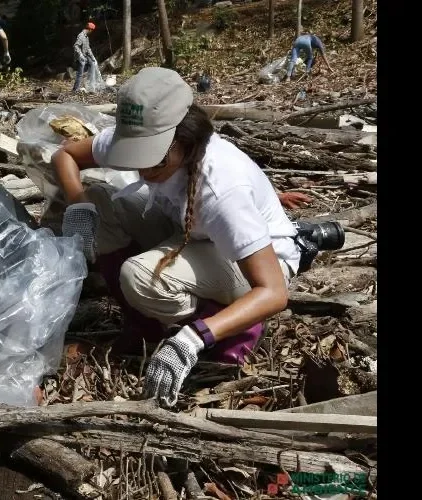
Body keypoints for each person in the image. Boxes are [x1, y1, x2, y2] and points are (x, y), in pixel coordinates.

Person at [51, 67, 301, 407]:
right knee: (98, 204)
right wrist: (79, 206)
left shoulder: (221, 189)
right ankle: (145, 328)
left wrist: (195, 337)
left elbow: (274, 292)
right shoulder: (144, 138)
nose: (141, 171)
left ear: (184, 140)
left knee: (139, 276)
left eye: (152, 162)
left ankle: (229, 328)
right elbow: (64, 155)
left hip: (253, 264)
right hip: (192, 232)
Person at [72, 22, 97, 92]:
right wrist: (80, 55)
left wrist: (93, 58)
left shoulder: (86, 37)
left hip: (85, 56)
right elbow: (76, 46)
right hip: (80, 58)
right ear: (90, 29)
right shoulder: (81, 36)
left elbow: (88, 49)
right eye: (91, 30)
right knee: (80, 73)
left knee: (92, 64)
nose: (91, 32)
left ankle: (91, 85)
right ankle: (75, 89)